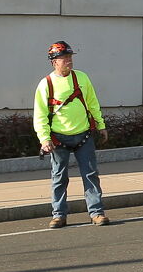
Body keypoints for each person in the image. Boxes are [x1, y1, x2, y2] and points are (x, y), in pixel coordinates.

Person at [34, 40, 109, 228]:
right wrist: (44, 139)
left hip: (84, 135)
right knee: (59, 177)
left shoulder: (82, 78)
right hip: (59, 139)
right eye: (64, 58)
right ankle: (59, 215)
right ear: (54, 62)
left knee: (91, 174)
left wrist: (101, 125)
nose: (68, 60)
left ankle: (96, 213)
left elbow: (92, 103)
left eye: (69, 57)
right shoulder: (46, 85)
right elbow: (40, 115)